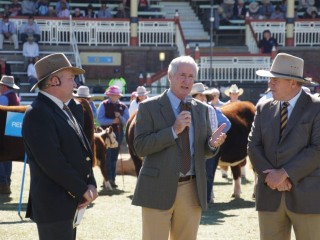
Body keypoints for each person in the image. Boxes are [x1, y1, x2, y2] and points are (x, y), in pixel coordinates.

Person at [131, 56, 227, 240]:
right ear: (170, 76)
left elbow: (204, 151)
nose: (187, 81)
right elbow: (140, 147)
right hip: (157, 188)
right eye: (182, 75)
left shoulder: (202, 109)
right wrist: (173, 131)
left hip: (191, 189)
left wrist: (212, 145)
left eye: (191, 76)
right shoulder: (148, 107)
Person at [22, 53, 98, 240]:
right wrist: (82, 189)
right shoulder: (38, 113)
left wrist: (91, 182)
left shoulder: (63, 108)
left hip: (68, 202)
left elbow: (82, 150)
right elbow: (53, 162)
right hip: (54, 206)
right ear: (54, 81)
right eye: (71, 78)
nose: (75, 84)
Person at [248, 53, 320, 240]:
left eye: (275, 80)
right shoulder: (263, 107)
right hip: (269, 196)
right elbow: (253, 146)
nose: (270, 84)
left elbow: (317, 149)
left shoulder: (316, 107)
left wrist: (284, 173)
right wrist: (270, 176)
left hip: (308, 198)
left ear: (293, 83)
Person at [191, 83, 231, 204]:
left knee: (208, 173)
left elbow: (227, 124)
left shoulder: (211, 109)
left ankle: (206, 199)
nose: (203, 98)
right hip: (194, 148)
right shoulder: (187, 109)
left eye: (204, 96)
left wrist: (216, 137)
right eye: (200, 96)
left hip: (208, 147)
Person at [97, 85, 129, 188]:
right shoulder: (103, 105)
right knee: (107, 156)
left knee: (114, 157)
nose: (114, 96)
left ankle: (112, 179)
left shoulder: (123, 107)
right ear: (109, 95)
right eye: (112, 95)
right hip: (106, 135)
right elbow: (100, 120)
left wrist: (120, 117)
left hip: (118, 134)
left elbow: (126, 122)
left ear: (118, 96)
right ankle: (107, 179)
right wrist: (112, 121)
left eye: (116, 95)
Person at [0, 75, 20, 195]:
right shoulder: (15, 97)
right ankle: (6, 182)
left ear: (4, 86)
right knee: (8, 158)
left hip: (4, 130)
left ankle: (3, 183)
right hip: (13, 129)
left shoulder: (3, 98)